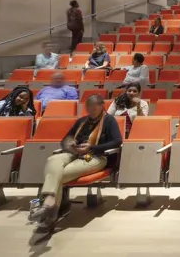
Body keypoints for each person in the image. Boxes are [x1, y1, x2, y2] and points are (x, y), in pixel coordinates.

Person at [30, 95, 122, 230]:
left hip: (96, 156)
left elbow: (117, 141)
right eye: (90, 106)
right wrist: (70, 144)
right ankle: (51, 204)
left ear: (102, 106)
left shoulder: (109, 121)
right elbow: (65, 141)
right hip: (73, 153)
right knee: (52, 159)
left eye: (96, 106)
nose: (92, 109)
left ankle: (50, 209)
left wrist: (92, 147)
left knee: (58, 174)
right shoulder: (81, 121)